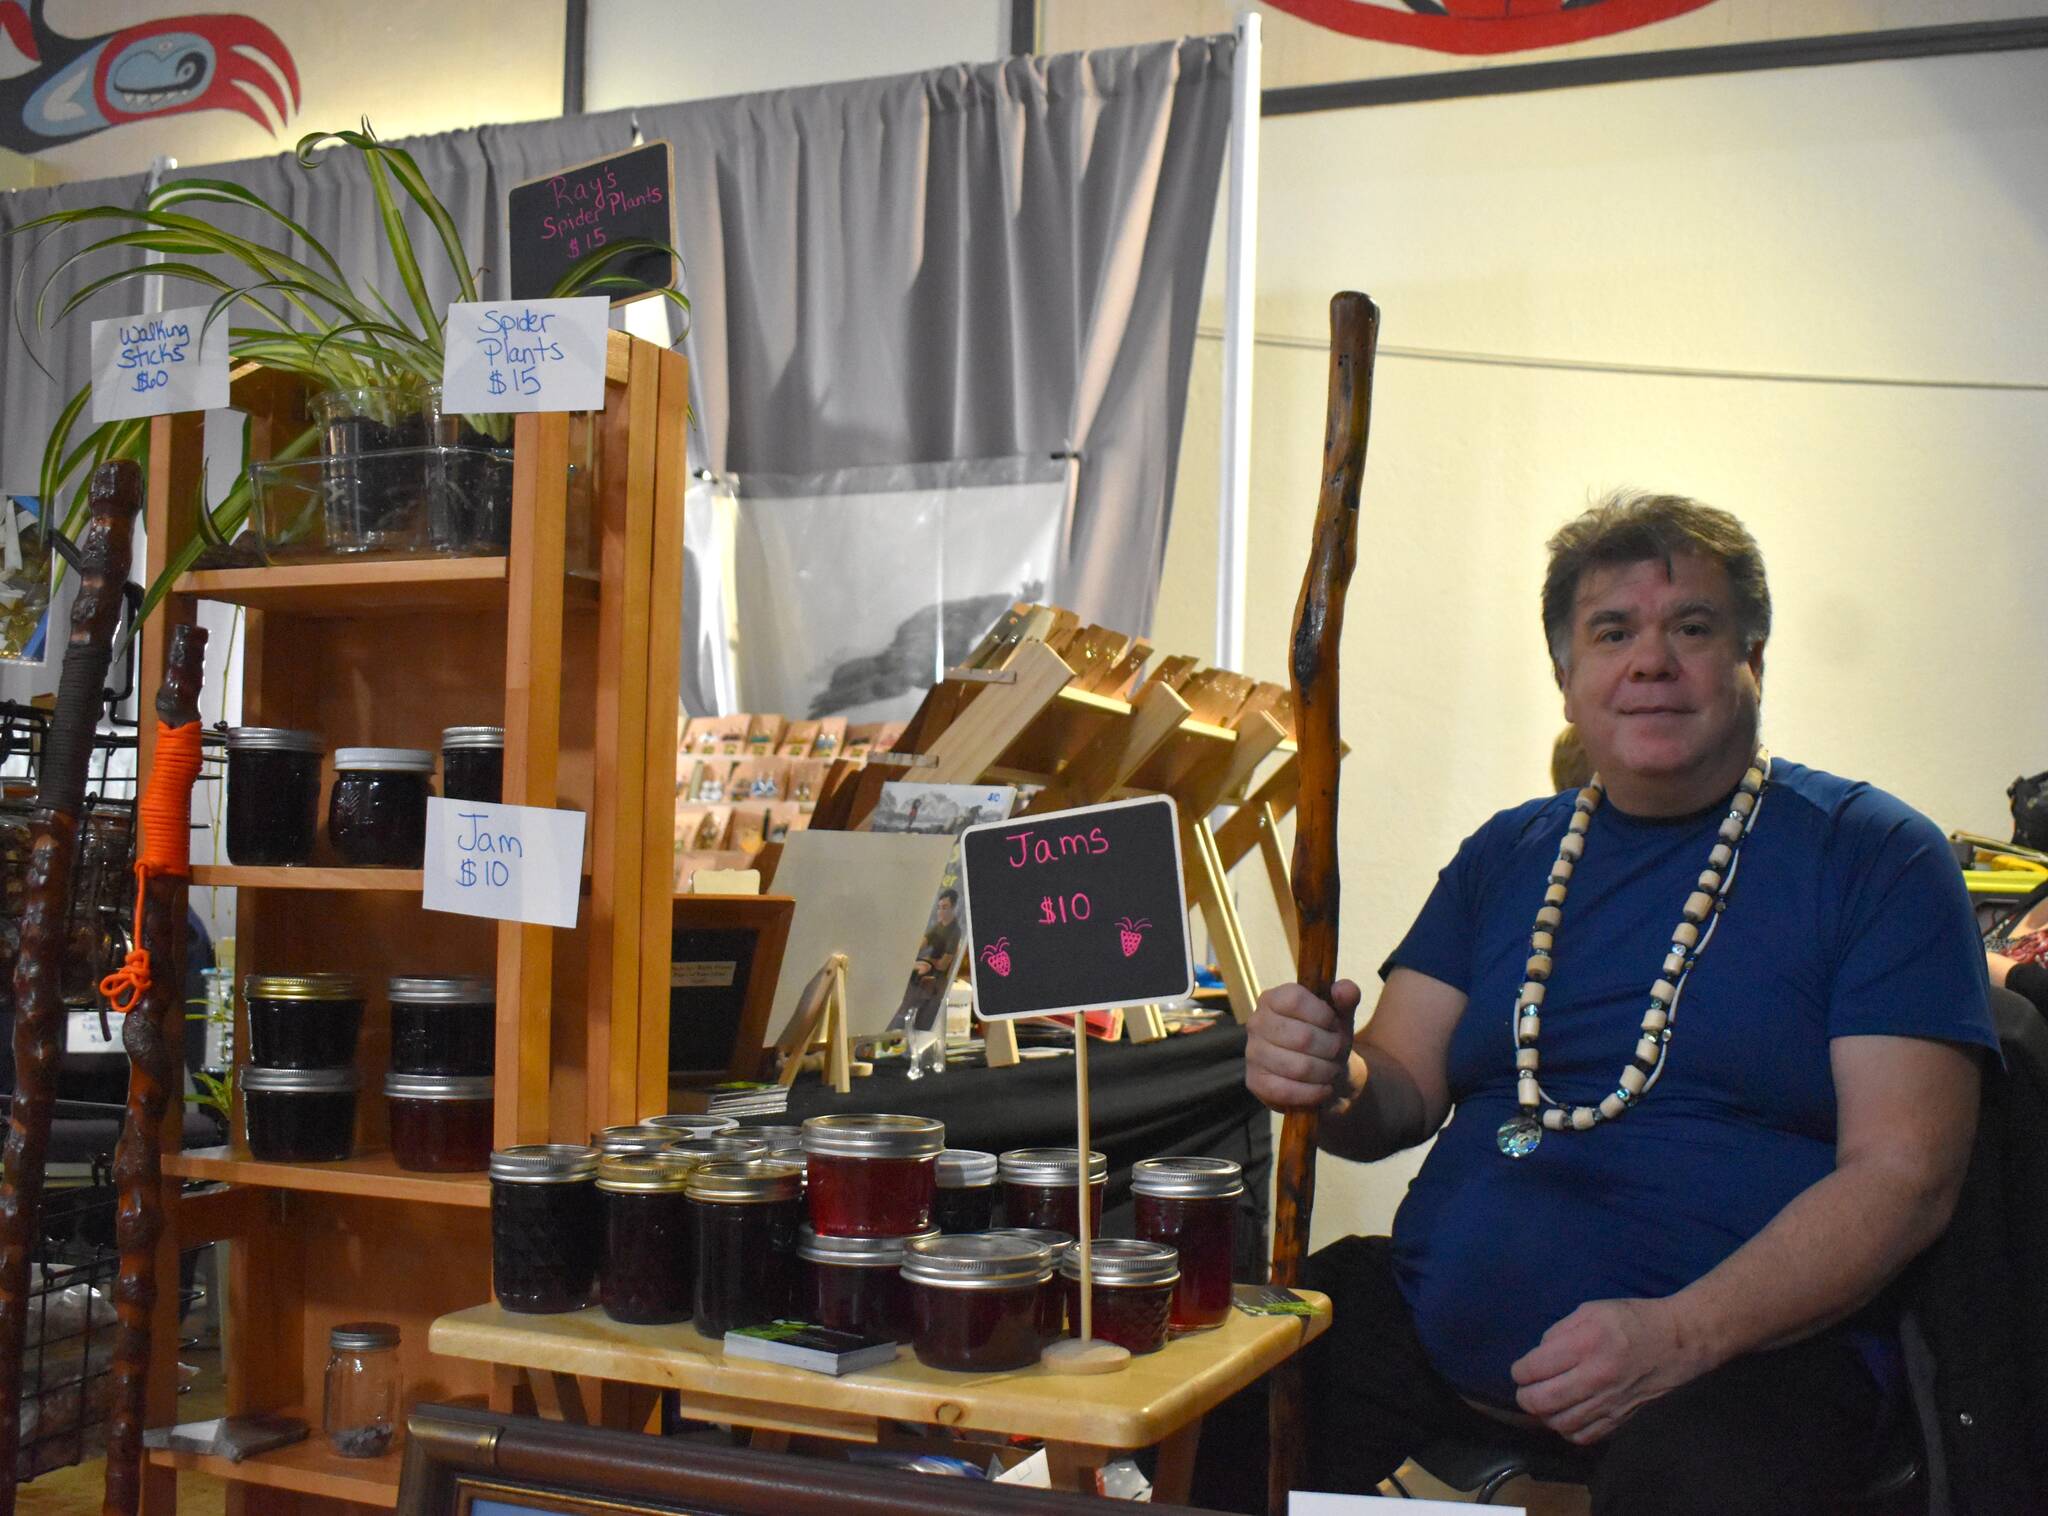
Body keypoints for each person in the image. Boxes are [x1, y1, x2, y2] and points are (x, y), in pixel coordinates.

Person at [1237, 493, 1995, 1515]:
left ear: (1752, 661)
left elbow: (1903, 1176)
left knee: (1696, 1482)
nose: (1649, 661)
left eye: (1690, 626)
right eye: (1611, 632)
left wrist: (1680, 1332)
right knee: (1219, 1400)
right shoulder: (1505, 854)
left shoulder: (1873, 857)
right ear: (1564, 680)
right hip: (1431, 1331)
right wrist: (1328, 1077)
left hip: (1743, 1359)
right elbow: (1398, 1089)